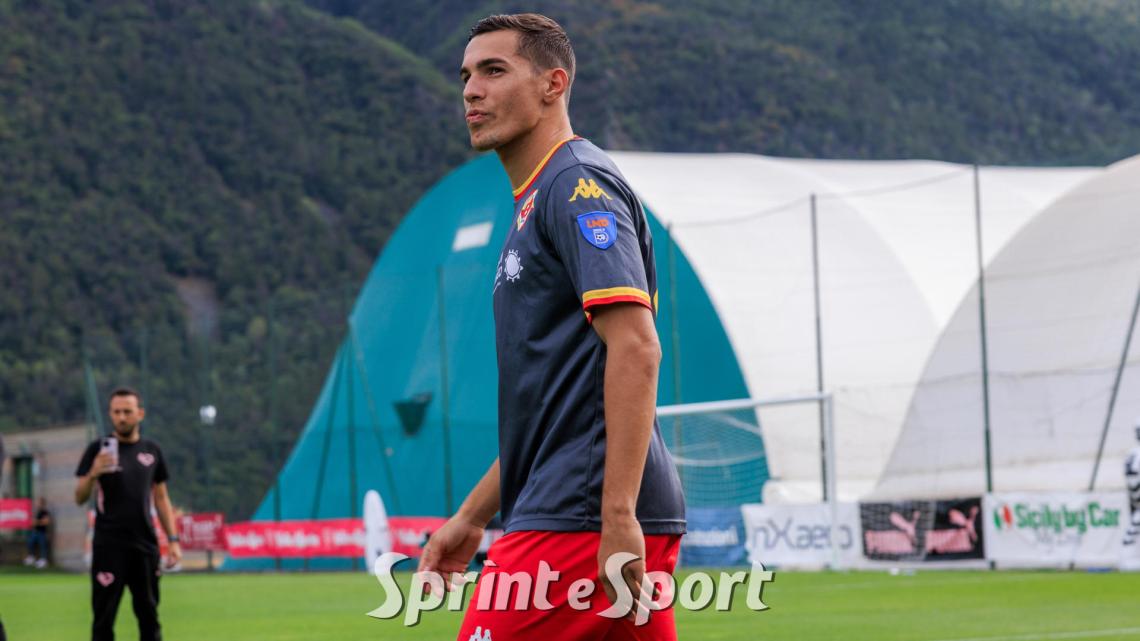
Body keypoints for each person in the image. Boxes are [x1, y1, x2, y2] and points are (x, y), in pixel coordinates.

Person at [421, 14, 686, 640]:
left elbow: (636, 347)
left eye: (494, 70)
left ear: (553, 83)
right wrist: (473, 516)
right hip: (580, 507)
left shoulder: (576, 185)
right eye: (466, 75)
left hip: (580, 518)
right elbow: (553, 414)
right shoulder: (539, 199)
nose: (471, 90)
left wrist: (616, 514)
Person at [75, 388, 181, 641]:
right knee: (103, 619)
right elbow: (79, 497)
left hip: (145, 547)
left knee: (149, 616)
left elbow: (161, 498)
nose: (121, 417)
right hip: (108, 547)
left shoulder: (152, 450)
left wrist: (173, 540)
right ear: (110, 414)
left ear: (140, 414)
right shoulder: (97, 449)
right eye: (116, 412)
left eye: (127, 412)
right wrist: (94, 473)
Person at [1123, 418, 1140, 570]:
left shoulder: (1131, 453)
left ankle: (1127, 556)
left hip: (1133, 494)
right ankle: (1127, 558)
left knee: (1135, 521)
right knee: (1136, 522)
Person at [23, 497, 52, 568]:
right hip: (35, 532)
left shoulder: (45, 512)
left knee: (43, 546)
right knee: (30, 543)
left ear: (42, 504)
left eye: (39, 503)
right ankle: (31, 557)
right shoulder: (37, 512)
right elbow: (33, 522)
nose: (38, 504)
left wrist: (38, 522)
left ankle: (43, 560)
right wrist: (36, 522)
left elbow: (46, 522)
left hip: (42, 532)